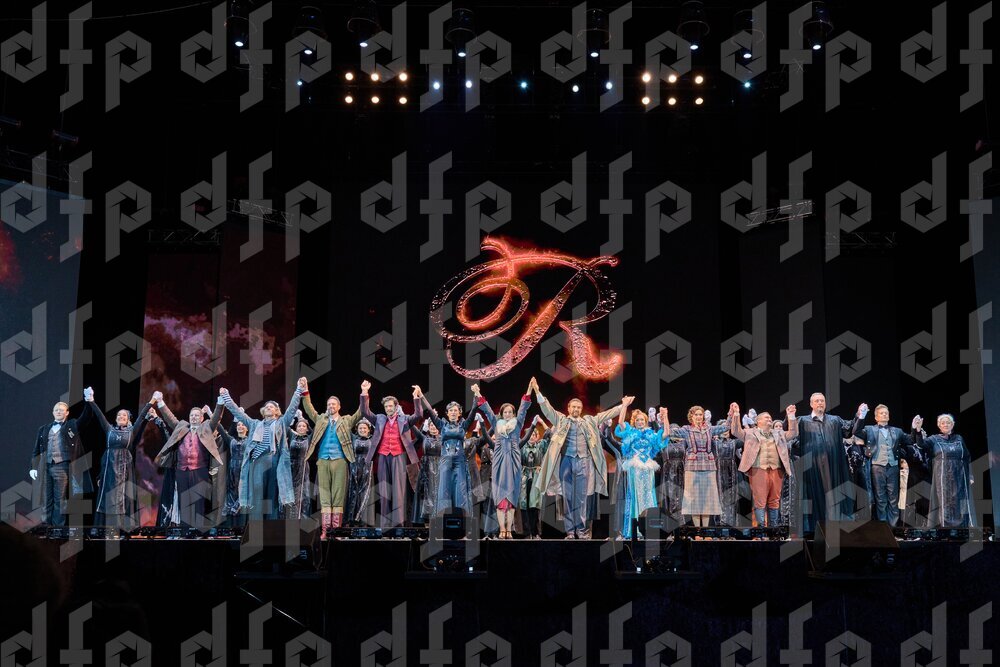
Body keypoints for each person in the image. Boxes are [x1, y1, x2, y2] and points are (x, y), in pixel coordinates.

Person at [532, 376, 631, 539]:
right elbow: (547, 409)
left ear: (581, 409)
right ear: (569, 408)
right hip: (566, 461)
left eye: (579, 407)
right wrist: (537, 391)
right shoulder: (561, 420)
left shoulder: (589, 421)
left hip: (584, 462)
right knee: (568, 498)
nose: (576, 409)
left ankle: (582, 530)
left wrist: (623, 405)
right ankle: (570, 532)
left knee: (582, 498)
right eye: (574, 407)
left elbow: (606, 414)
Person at [219, 378, 306, 520]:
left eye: (272, 407)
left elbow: (291, 410)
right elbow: (238, 413)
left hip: (273, 460)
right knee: (257, 496)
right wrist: (226, 396)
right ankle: (256, 527)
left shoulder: (281, 423)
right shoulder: (254, 424)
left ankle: (271, 527)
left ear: (277, 411)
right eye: (267, 407)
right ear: (263, 411)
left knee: (272, 495)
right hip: (257, 462)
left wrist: (298, 390)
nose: (269, 408)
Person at [794, 393, 867, 534]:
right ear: (811, 404)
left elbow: (849, 430)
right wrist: (790, 417)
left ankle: (835, 526)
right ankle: (813, 528)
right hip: (812, 465)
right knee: (813, 494)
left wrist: (860, 415)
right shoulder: (802, 421)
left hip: (833, 463)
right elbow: (790, 432)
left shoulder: (835, 420)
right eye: (817, 401)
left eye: (822, 400)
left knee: (833, 493)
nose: (820, 403)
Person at [300, 382, 365, 538]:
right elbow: (308, 409)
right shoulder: (321, 419)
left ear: (339, 406)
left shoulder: (346, 421)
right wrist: (305, 391)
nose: (331, 406)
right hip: (323, 460)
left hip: (340, 460)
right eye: (329, 404)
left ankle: (335, 530)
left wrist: (364, 392)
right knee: (324, 496)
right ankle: (326, 530)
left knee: (338, 495)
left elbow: (360, 412)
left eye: (333, 404)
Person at [153, 393, 225, 529]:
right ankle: (185, 531)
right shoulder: (181, 427)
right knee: (184, 502)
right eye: (192, 415)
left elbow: (216, 417)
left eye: (197, 415)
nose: (193, 417)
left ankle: (198, 532)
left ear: (202, 418)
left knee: (199, 503)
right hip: (182, 470)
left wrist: (220, 402)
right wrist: (161, 402)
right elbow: (170, 418)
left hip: (200, 470)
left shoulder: (207, 428)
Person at [85, 387, 154, 530]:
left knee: (122, 497)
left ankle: (121, 528)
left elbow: (142, 417)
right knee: (108, 497)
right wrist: (91, 400)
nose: (121, 417)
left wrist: (152, 401)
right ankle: (105, 527)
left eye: (124, 415)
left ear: (128, 419)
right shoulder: (109, 429)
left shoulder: (131, 431)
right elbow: (99, 416)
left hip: (124, 469)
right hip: (109, 469)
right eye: (119, 415)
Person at [359, 380, 424, 529]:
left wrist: (416, 397)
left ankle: (398, 525)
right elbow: (365, 412)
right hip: (383, 456)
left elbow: (419, 414)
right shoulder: (379, 419)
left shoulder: (404, 419)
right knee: (384, 490)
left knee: (398, 491)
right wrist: (364, 392)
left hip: (398, 456)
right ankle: (385, 525)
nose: (388, 408)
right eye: (386, 406)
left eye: (390, 406)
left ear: (396, 406)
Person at [663, 403, 739, 528]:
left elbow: (726, 427)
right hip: (692, 468)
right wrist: (665, 416)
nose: (699, 417)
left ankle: (705, 530)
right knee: (694, 502)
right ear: (691, 416)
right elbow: (668, 432)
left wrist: (731, 413)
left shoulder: (709, 429)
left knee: (707, 501)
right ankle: (698, 531)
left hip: (709, 467)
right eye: (696, 414)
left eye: (701, 414)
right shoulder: (686, 429)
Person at [417, 384, 484, 521]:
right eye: (451, 410)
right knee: (444, 490)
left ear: (459, 413)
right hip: (445, 461)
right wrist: (422, 395)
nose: (453, 412)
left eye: (455, 410)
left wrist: (476, 394)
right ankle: (441, 520)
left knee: (460, 491)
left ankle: (462, 521)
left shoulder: (463, 425)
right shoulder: (442, 425)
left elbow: (473, 410)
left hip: (460, 461)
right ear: (447, 413)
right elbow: (429, 410)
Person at [29, 395, 94, 526]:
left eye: (61, 410)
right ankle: (46, 527)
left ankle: (57, 528)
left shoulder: (72, 425)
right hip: (45, 466)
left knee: (60, 499)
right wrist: (33, 467)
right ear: (53, 412)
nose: (58, 411)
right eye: (56, 410)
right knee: (46, 498)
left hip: (62, 466)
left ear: (67, 412)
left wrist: (89, 401)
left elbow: (86, 417)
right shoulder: (44, 429)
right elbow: (36, 450)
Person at [478, 382, 532, 539]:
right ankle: (502, 529)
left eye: (510, 412)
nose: (508, 414)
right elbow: (488, 411)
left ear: (513, 414)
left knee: (512, 496)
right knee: (500, 496)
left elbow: (523, 409)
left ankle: (509, 530)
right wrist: (478, 394)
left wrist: (529, 389)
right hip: (500, 459)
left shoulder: (518, 423)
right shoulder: (496, 423)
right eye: (505, 412)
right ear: (501, 414)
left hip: (513, 459)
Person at [853, 404, 920, 526]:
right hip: (877, 466)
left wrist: (914, 427)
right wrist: (862, 416)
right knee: (880, 498)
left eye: (886, 413)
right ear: (876, 417)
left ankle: (893, 527)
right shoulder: (869, 429)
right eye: (882, 413)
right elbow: (856, 431)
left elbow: (910, 439)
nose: (884, 414)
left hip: (893, 467)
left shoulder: (897, 431)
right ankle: (882, 527)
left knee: (893, 498)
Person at [730, 405, 797, 527]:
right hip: (758, 469)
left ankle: (773, 528)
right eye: (766, 417)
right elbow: (735, 430)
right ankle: (761, 528)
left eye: (770, 418)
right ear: (758, 421)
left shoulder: (779, 433)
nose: (769, 419)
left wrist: (791, 416)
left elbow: (793, 433)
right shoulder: (749, 433)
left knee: (774, 500)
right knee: (760, 500)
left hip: (776, 470)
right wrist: (736, 414)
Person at [613, 401, 670, 539]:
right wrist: (624, 405)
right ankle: (635, 530)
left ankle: (649, 528)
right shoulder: (630, 433)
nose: (640, 422)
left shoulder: (651, 435)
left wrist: (665, 416)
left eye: (642, 420)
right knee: (635, 495)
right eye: (637, 420)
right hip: (635, 467)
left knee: (649, 495)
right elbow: (620, 422)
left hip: (647, 468)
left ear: (646, 422)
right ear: (634, 422)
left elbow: (666, 433)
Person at [914, 413, 976, 528]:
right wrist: (917, 430)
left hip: (960, 476)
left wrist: (970, 475)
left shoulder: (959, 438)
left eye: (948, 423)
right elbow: (921, 444)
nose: (945, 425)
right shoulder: (934, 439)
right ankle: (946, 528)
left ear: (952, 425)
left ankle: (963, 528)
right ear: (939, 425)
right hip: (942, 477)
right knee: (945, 502)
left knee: (961, 502)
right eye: (943, 423)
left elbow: (967, 457)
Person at [519, 417, 550, 539]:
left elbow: (549, 434)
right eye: (529, 435)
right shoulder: (521, 446)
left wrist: (542, 422)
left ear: (537, 436)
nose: (531, 437)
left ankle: (536, 532)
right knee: (524, 505)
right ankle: (527, 533)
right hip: (524, 476)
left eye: (534, 434)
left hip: (536, 476)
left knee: (535, 505)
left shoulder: (541, 445)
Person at [216, 419, 250, 529]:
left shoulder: (251, 440)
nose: (240, 426)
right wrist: (211, 413)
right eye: (238, 425)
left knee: (242, 497)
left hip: (244, 472)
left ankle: (242, 528)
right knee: (230, 497)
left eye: (243, 425)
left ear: (247, 428)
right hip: (232, 473)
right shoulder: (231, 440)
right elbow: (220, 429)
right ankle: (231, 528)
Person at [346, 418, 377, 527]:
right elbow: (346, 428)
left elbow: (379, 430)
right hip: (355, 468)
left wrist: (372, 423)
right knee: (353, 492)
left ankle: (364, 521)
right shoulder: (354, 438)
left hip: (367, 468)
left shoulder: (372, 439)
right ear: (357, 429)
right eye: (360, 428)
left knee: (365, 494)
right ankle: (352, 520)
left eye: (364, 428)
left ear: (369, 430)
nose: (362, 430)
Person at [285, 413, 313, 520]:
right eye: (299, 426)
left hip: (303, 467)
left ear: (307, 429)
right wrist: (293, 417)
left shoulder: (309, 438)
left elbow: (314, 431)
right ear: (296, 428)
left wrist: (302, 418)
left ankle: (303, 518)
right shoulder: (292, 436)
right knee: (291, 492)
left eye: (303, 426)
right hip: (291, 468)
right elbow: (285, 426)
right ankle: (291, 518)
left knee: (303, 492)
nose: (301, 428)